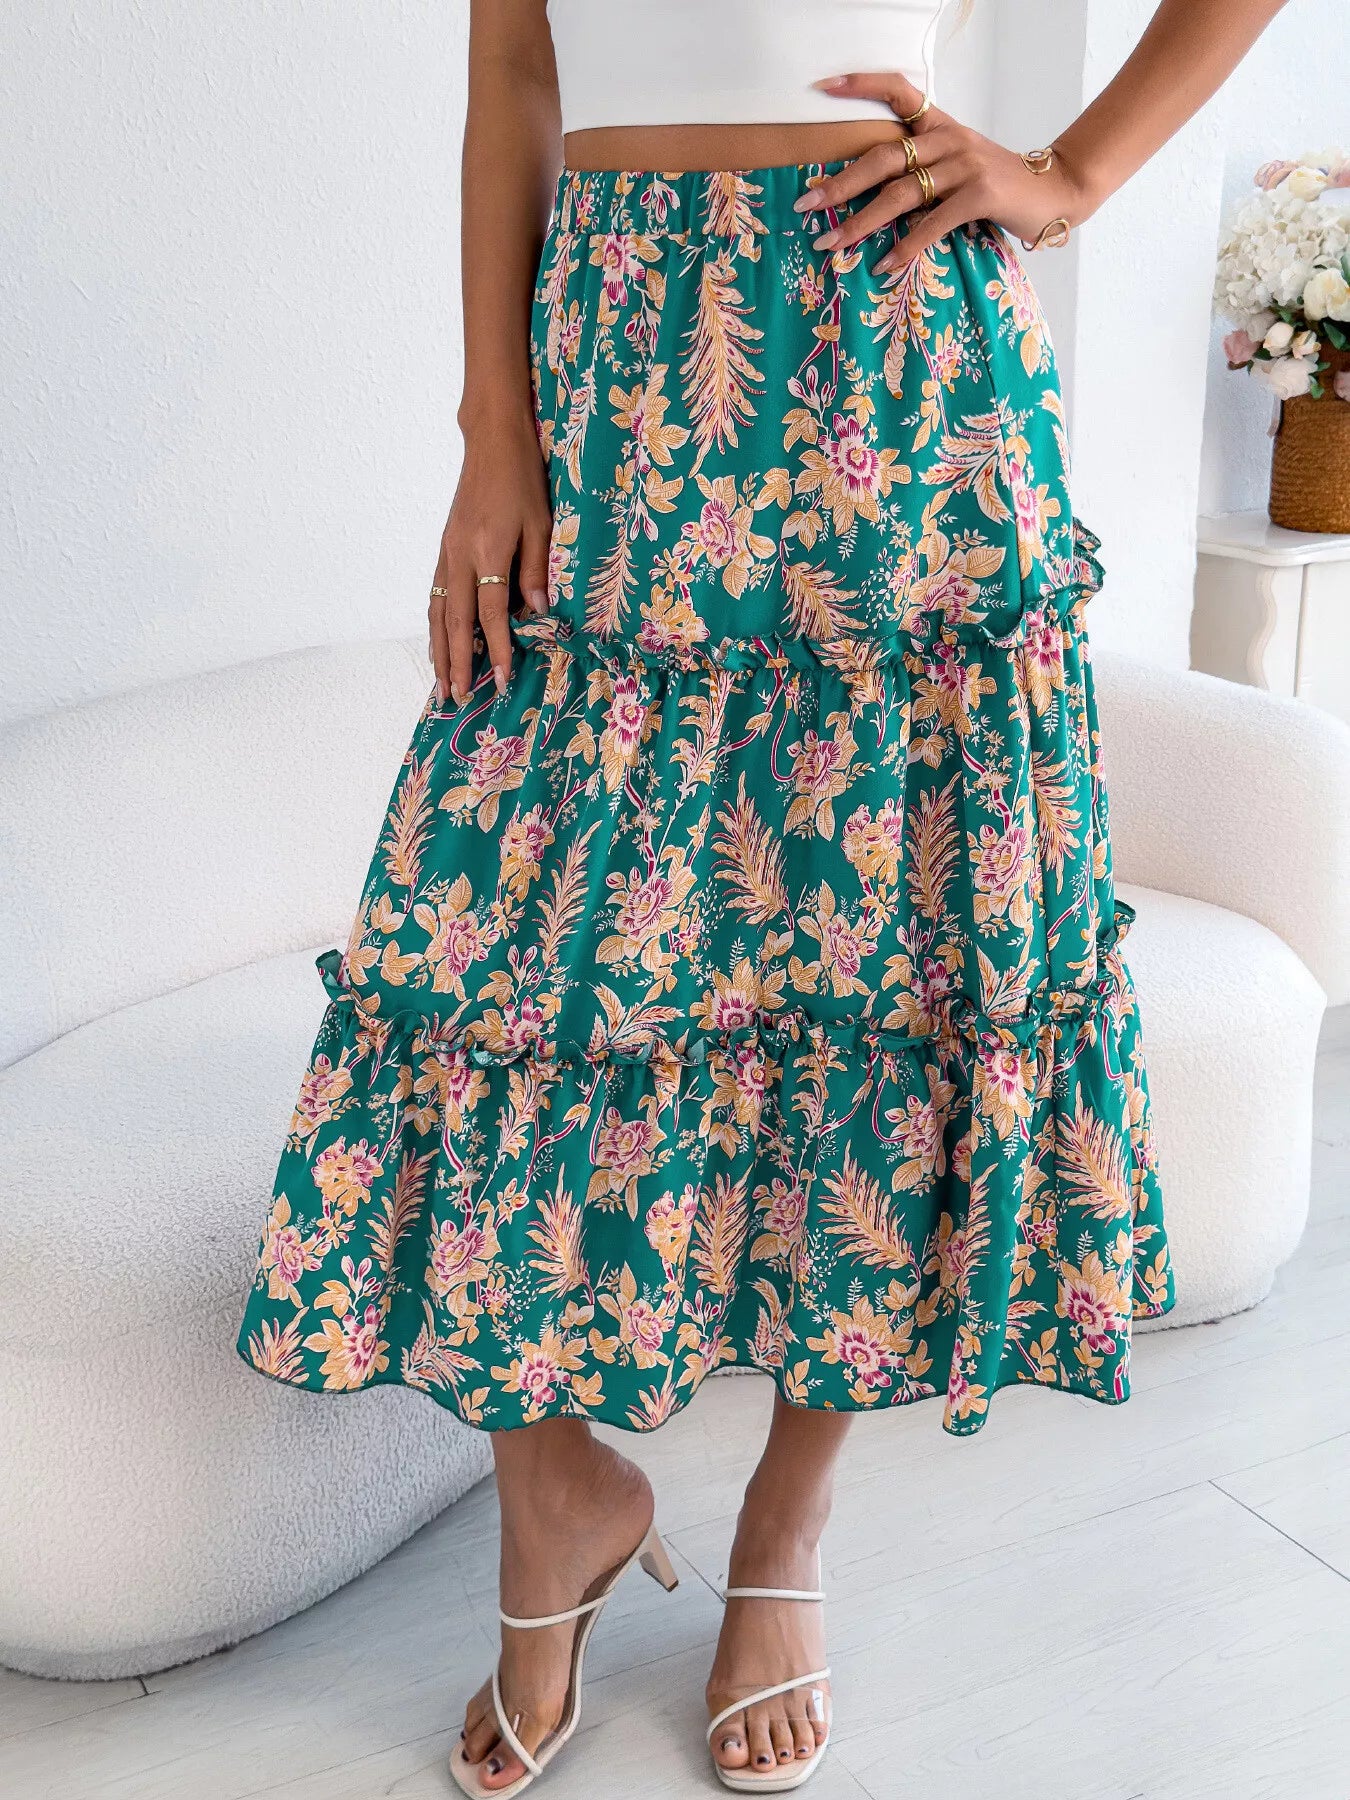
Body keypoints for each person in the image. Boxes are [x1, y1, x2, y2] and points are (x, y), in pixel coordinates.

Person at [236, 0, 1289, 1789]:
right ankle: (555, 1493)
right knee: (512, 945)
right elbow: (514, 70)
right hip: (612, 370)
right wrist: (495, 426)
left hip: (901, 361)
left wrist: (1067, 176)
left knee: (877, 952)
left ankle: (787, 1528)